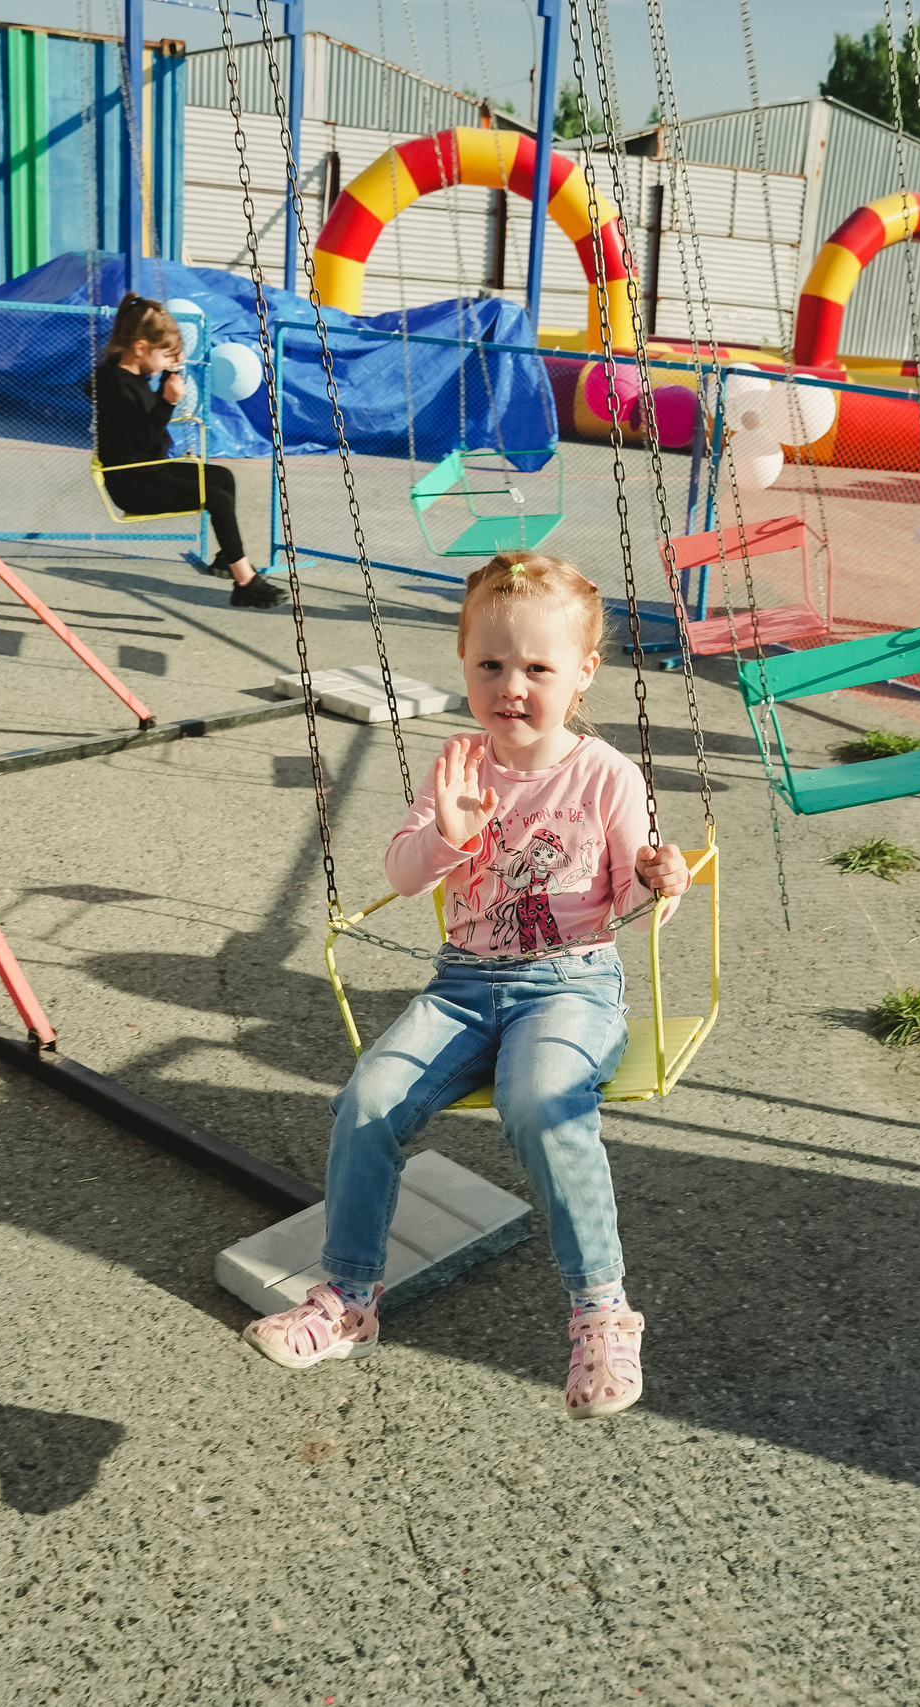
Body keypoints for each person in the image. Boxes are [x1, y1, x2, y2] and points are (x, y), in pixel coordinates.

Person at [243, 552, 693, 1419]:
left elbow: (636, 901)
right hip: (462, 986)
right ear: (463, 662)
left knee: (539, 1100)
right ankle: (348, 1298)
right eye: (490, 663)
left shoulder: (606, 773)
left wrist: (656, 876)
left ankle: (601, 1308)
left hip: (570, 984)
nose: (510, 686)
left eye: (537, 668)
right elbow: (405, 873)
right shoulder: (459, 763)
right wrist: (446, 833)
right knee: (368, 1099)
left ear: (583, 673)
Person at [87, 293, 283, 609]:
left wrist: (168, 372)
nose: (168, 362)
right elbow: (140, 440)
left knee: (222, 477)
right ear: (140, 348)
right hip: (132, 484)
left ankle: (227, 557)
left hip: (150, 469)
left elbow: (145, 416)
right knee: (216, 498)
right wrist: (167, 402)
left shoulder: (132, 375)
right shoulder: (115, 387)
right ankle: (245, 582)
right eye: (165, 356)